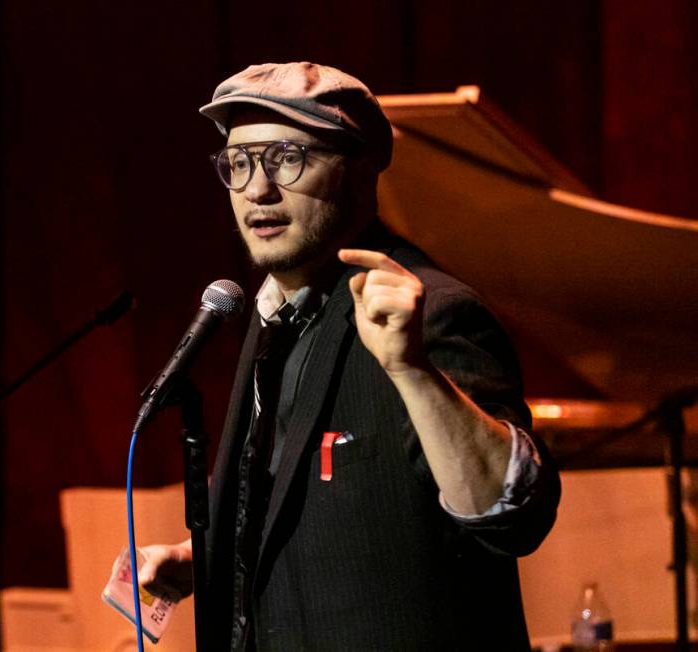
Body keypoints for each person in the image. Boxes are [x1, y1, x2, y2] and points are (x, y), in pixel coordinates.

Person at [137, 62, 560, 651]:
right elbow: (312, 513)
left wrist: (411, 370)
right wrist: (203, 560)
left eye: (287, 157)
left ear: (362, 171)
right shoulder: (271, 318)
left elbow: (515, 517)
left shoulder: (431, 311)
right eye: (239, 163)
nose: (258, 189)